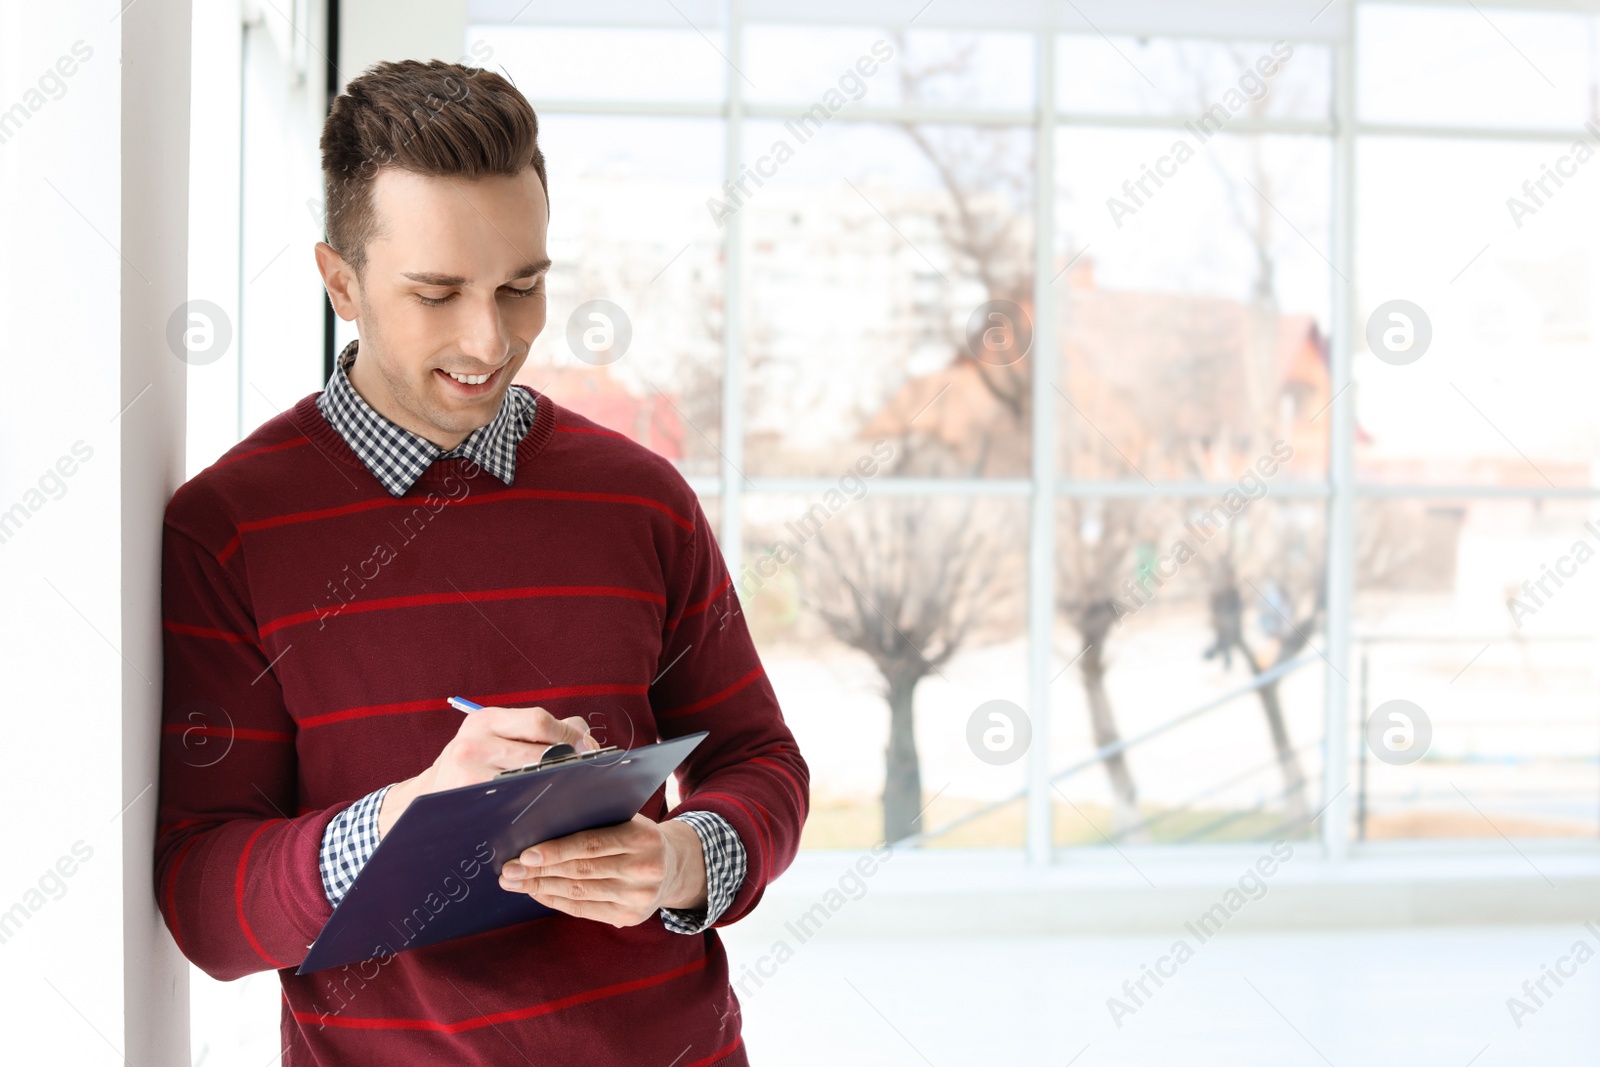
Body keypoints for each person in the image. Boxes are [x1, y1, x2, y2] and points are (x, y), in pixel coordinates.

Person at [154, 59, 808, 1066]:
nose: (489, 337)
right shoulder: (228, 529)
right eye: (437, 292)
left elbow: (760, 759)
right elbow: (204, 898)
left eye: (522, 285)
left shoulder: (639, 498)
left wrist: (681, 858)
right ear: (341, 281)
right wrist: (397, 822)